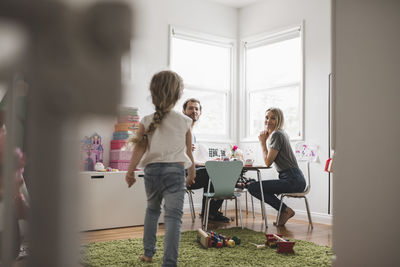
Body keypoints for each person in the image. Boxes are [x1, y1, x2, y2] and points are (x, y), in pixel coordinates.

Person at [125, 70, 195, 267]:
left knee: (152, 211)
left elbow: (139, 148)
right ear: (178, 95)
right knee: (173, 217)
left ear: (153, 93)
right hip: (175, 172)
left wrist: (130, 172)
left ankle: (148, 253)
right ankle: (169, 262)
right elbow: (188, 152)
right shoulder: (185, 121)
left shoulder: (146, 120)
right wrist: (192, 171)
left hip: (152, 172)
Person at [247, 107, 306, 226]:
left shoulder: (277, 135)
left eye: (272, 118)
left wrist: (262, 142)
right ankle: (284, 210)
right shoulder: (280, 133)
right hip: (295, 178)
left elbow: (268, 162)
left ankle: (285, 210)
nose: (268, 121)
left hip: (292, 179)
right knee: (256, 187)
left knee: (253, 187)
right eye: (266, 117)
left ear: (279, 120)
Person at [182, 98, 230, 223]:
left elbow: (189, 159)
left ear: (200, 112)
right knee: (217, 174)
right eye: (190, 108)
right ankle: (211, 213)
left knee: (215, 170)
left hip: (189, 170)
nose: (194, 111)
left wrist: (205, 164)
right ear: (184, 111)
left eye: (196, 108)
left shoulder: (192, 133)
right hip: (181, 174)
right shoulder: (181, 130)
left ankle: (209, 212)